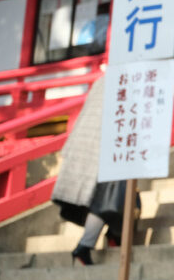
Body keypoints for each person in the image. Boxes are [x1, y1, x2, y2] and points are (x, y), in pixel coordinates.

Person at [52, 74, 134, 266]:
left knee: (111, 198)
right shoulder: (130, 80)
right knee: (107, 200)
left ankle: (113, 236)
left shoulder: (103, 80)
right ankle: (86, 246)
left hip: (87, 143)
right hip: (107, 147)